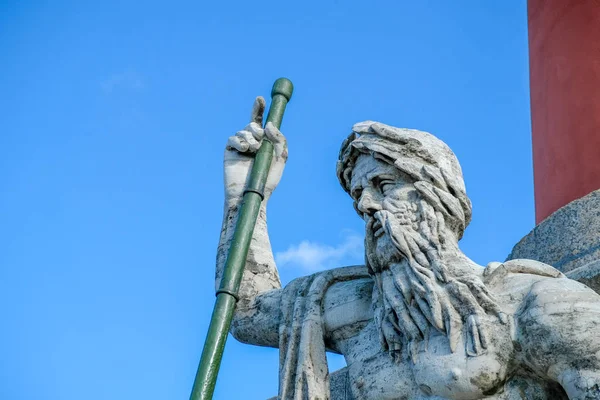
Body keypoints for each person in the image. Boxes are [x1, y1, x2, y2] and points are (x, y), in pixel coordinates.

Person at [216, 97, 600, 399]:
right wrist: (245, 197)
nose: (366, 205)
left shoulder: (539, 306)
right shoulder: (359, 312)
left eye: (384, 186)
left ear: (437, 198)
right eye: (357, 196)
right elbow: (246, 312)